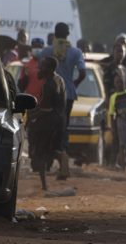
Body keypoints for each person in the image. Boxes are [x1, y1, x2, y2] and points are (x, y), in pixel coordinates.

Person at [40, 22, 86, 181]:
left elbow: (41, 71)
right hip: (68, 95)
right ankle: (63, 165)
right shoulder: (75, 52)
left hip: (51, 94)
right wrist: (74, 84)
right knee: (62, 127)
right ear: (68, 35)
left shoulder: (47, 51)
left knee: (46, 127)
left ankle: (47, 163)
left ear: (55, 33)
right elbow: (82, 72)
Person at [26, 57, 66, 191]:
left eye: (42, 66)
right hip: (59, 121)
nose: (39, 69)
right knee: (53, 149)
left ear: (49, 69)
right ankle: (63, 164)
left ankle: (44, 185)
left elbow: (46, 108)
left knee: (40, 152)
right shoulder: (59, 79)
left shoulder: (48, 85)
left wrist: (31, 115)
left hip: (48, 122)